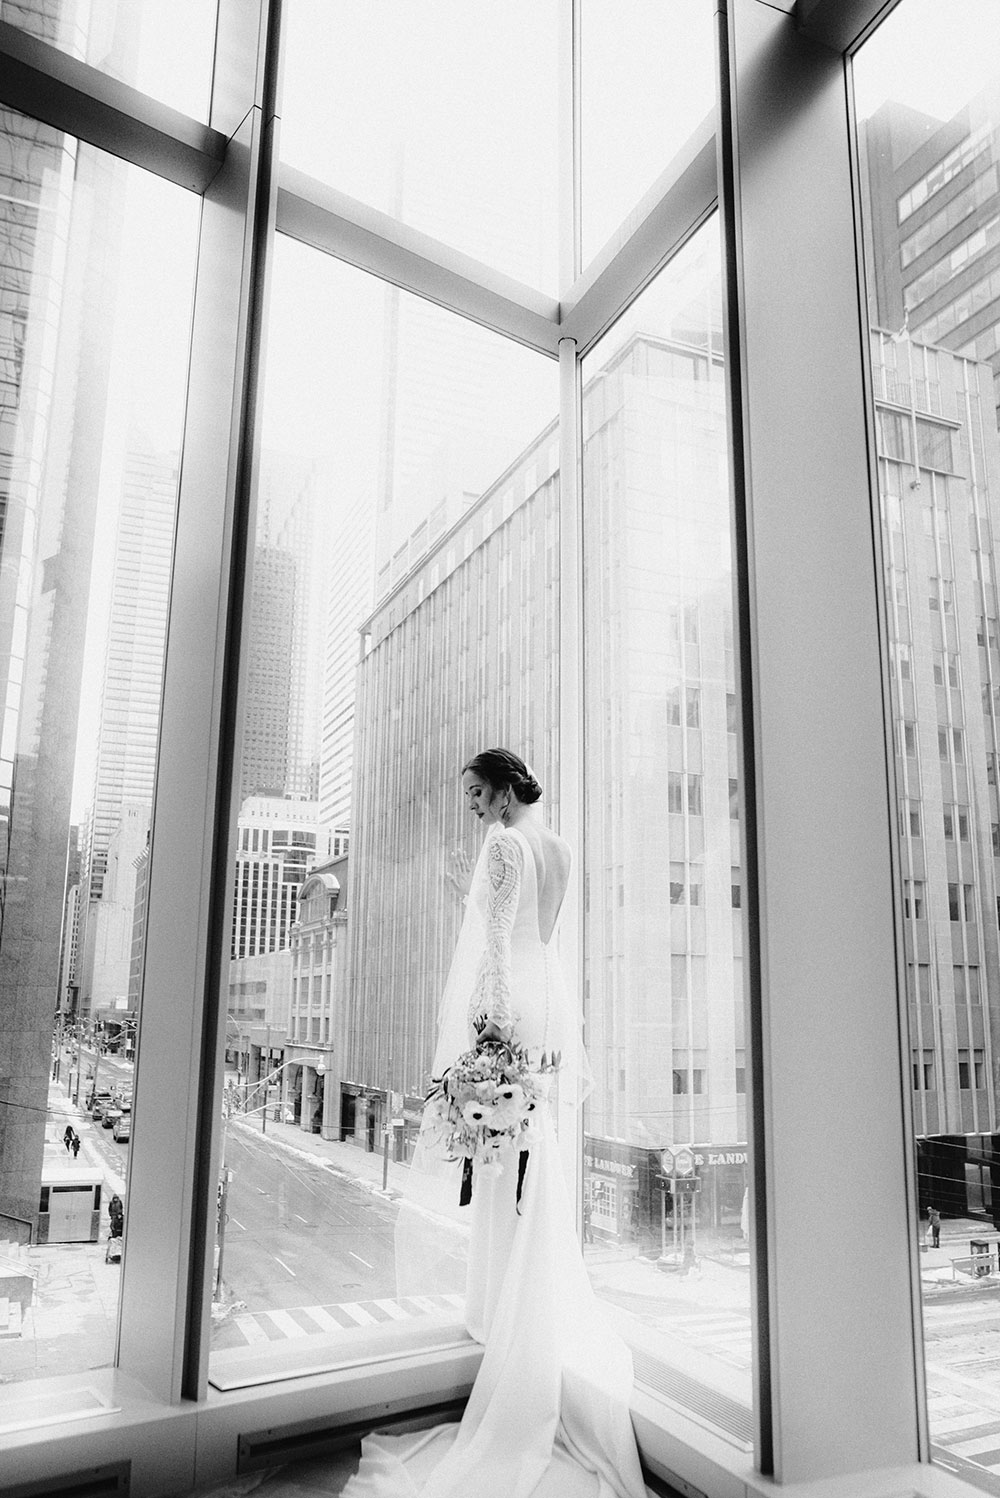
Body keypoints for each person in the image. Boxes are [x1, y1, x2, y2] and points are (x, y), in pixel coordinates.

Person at [344, 749, 645, 1498]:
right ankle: (523, 1288)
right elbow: (543, 934)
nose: (473, 807)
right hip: (547, 996)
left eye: (479, 793)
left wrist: (487, 1025)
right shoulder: (562, 846)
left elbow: (498, 938)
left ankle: (499, 1304)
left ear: (507, 791)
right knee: (524, 1144)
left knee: (498, 1142)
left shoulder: (505, 843)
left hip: (511, 996)